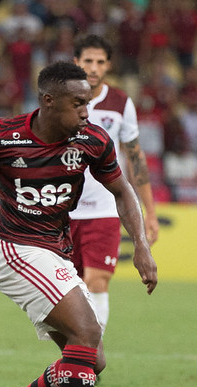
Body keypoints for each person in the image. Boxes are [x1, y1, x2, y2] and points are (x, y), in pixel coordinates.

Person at [0, 61, 157, 387]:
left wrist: (140, 246)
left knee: (92, 358)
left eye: (88, 103)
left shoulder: (91, 140)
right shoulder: (3, 134)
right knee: (86, 332)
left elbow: (123, 192)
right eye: (78, 104)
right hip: (13, 247)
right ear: (48, 101)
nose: (86, 113)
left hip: (56, 250)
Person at [69, 35, 159, 339]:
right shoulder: (62, 100)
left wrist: (150, 211)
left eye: (100, 62)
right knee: (69, 288)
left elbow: (135, 158)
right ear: (76, 63)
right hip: (62, 210)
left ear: (108, 65)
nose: (93, 68)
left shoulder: (120, 103)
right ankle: (74, 354)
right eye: (88, 61)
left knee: (97, 282)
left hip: (106, 208)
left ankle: (90, 355)